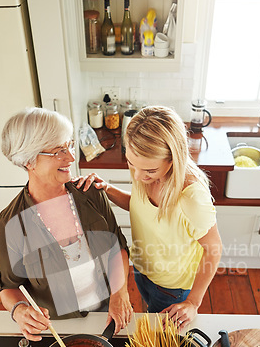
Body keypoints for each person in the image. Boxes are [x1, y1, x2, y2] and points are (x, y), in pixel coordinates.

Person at [74, 106, 222, 329]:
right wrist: (107, 189)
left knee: (160, 342)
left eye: (149, 171)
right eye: (131, 165)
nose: (138, 176)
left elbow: (214, 248)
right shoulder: (144, 171)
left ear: (172, 160)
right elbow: (138, 205)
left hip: (172, 290)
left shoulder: (192, 198)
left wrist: (193, 302)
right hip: (142, 271)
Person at [0, 107, 132, 341]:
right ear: (28, 160)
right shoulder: (11, 226)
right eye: (58, 151)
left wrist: (120, 293)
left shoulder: (90, 192)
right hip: (58, 329)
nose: (70, 157)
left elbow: (116, 247)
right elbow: (8, 286)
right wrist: (19, 311)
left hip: (107, 313)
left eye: (68, 145)